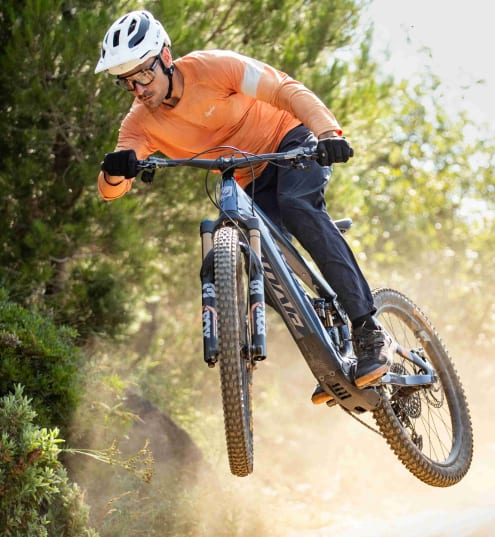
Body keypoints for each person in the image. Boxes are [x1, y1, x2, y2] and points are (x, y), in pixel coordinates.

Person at [94, 10, 390, 397]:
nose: (138, 89)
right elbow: (110, 191)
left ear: (165, 57)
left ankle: (368, 330)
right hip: (247, 178)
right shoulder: (140, 123)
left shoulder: (216, 68)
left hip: (290, 144)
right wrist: (115, 170)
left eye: (143, 75)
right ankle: (329, 346)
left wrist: (326, 133)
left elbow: (285, 90)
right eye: (126, 82)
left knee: (297, 206)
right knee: (256, 262)